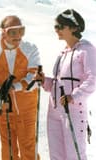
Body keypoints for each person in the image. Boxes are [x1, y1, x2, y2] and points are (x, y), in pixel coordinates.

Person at [0, 15, 41, 160]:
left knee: (28, 146)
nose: (18, 36)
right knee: (8, 147)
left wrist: (16, 86)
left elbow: (35, 76)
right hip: (4, 107)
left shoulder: (30, 49)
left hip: (26, 108)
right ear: (3, 31)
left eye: (21, 31)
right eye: (12, 31)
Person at [35, 9, 96, 160]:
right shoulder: (63, 53)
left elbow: (93, 78)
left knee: (74, 154)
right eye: (56, 27)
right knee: (56, 155)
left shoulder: (86, 49)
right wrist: (45, 81)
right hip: (55, 109)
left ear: (74, 28)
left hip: (73, 109)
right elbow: (58, 83)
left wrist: (74, 96)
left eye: (61, 26)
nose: (57, 30)